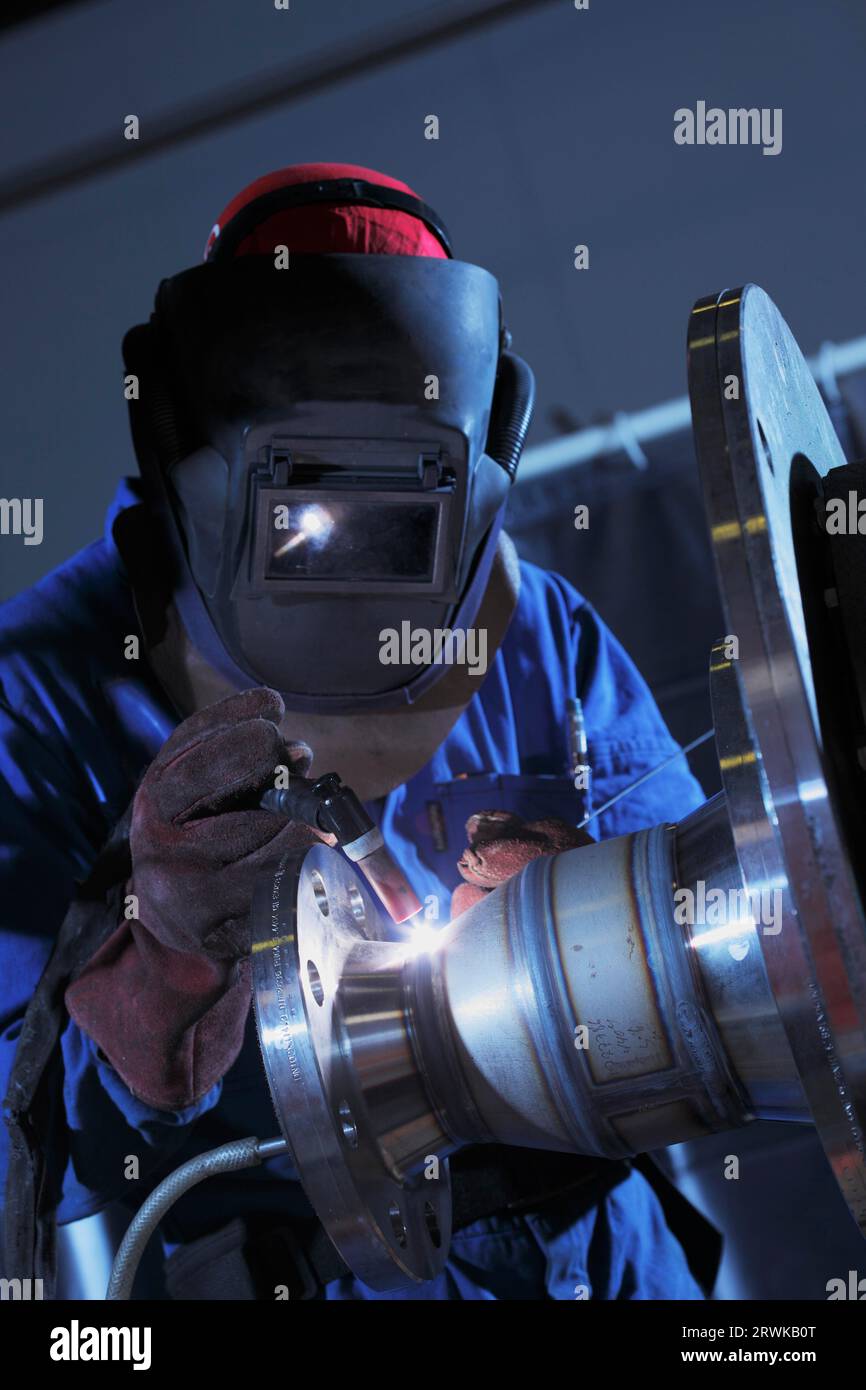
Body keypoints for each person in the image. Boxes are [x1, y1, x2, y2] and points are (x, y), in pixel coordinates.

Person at [0, 162, 713, 1301]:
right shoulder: (44, 687)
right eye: (308, 507)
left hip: (593, 1266)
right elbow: (14, 1154)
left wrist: (598, 942)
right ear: (193, 446)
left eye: (395, 522)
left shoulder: (530, 629)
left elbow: (714, 932)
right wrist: (164, 967)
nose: (345, 559)